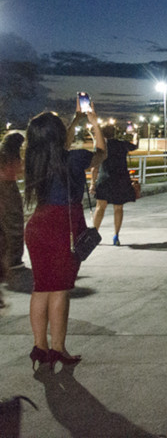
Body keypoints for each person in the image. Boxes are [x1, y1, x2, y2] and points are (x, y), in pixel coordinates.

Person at [23, 107, 106, 369]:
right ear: (59, 135)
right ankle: (58, 348)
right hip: (63, 227)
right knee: (59, 290)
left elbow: (57, 144)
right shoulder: (75, 158)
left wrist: (75, 121)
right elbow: (102, 154)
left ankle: (40, 347)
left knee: (41, 288)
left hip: (37, 225)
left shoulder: (34, 159)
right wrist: (93, 124)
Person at [90, 125, 139, 246]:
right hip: (121, 180)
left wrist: (92, 183)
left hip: (104, 179)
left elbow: (94, 167)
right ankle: (116, 235)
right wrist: (136, 134)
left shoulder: (102, 146)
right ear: (114, 133)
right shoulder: (122, 144)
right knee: (118, 208)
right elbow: (135, 145)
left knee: (100, 208)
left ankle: (94, 235)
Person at [0, 132, 26, 271]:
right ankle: (14, 259)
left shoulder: (1, 154)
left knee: (3, 225)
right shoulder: (12, 155)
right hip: (9, 188)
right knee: (15, 223)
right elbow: (19, 170)